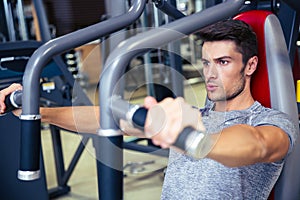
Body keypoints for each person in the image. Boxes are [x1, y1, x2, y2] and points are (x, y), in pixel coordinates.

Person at [0, 19, 298, 199]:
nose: (209, 74)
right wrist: (36, 111)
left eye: (222, 63)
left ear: (250, 66)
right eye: (206, 63)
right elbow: (104, 118)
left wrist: (197, 137)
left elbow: (258, 146)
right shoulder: (194, 114)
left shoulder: (269, 121)